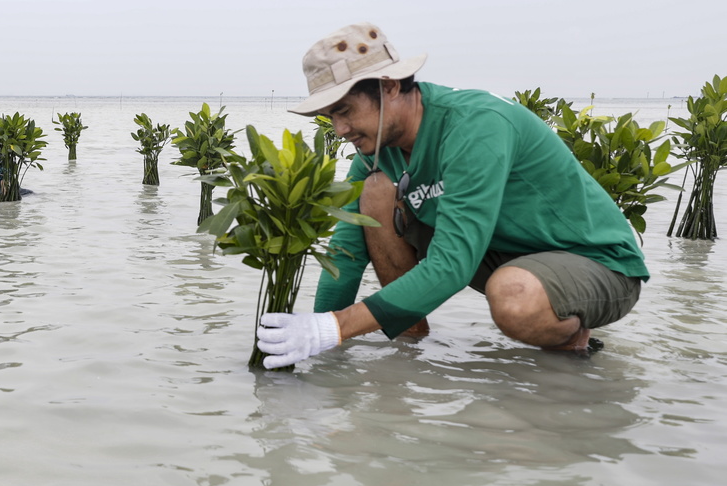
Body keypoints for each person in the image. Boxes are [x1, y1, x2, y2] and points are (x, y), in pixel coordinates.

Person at [256, 22, 648, 369]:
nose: (338, 129)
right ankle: (409, 341)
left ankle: (572, 351)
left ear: (390, 87)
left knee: (515, 297)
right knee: (375, 192)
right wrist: (319, 342)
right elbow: (346, 252)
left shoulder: (475, 126)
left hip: (597, 264)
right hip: (500, 256)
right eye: (329, 117)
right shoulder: (377, 152)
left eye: (344, 110)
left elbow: (452, 264)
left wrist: (336, 328)